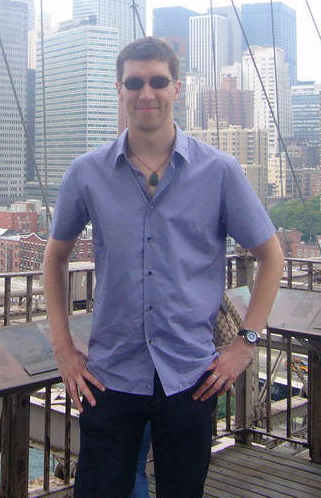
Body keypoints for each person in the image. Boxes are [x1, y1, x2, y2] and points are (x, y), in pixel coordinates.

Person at [43, 36, 285, 498]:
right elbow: (55, 257)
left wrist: (244, 345)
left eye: (158, 81)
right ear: (120, 90)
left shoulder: (220, 171)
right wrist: (63, 348)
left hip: (191, 377)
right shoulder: (86, 172)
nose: (146, 93)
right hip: (110, 376)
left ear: (177, 89)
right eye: (135, 82)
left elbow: (272, 257)